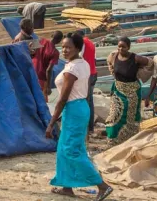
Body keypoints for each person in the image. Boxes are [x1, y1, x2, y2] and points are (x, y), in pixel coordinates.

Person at [46, 34, 113, 201]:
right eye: (63, 46)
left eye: (68, 47)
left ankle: (102, 186)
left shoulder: (72, 69)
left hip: (74, 109)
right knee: (65, 147)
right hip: (79, 107)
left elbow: (62, 98)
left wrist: (52, 122)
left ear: (77, 48)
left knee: (71, 150)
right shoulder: (82, 63)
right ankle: (67, 186)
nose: (65, 50)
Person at [105, 37, 152, 143]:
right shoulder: (114, 56)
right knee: (114, 115)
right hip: (118, 90)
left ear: (129, 47)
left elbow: (150, 63)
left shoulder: (136, 58)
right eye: (119, 46)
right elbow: (109, 63)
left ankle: (130, 139)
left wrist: (141, 74)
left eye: (123, 47)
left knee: (131, 117)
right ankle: (113, 138)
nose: (121, 49)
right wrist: (113, 72)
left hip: (133, 92)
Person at [72, 30, 98, 134]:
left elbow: (80, 56)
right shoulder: (91, 43)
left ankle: (86, 128)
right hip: (93, 72)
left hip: (86, 74)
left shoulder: (82, 43)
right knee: (89, 101)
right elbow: (94, 59)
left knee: (85, 101)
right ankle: (90, 127)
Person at [34, 31, 63, 102]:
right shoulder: (55, 52)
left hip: (32, 72)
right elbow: (49, 70)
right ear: (59, 40)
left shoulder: (41, 40)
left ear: (52, 35)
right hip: (42, 78)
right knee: (42, 101)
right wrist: (48, 87)